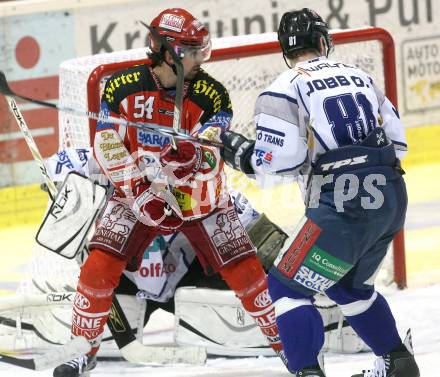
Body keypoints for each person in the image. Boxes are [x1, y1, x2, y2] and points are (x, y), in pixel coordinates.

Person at [53, 8, 283, 377]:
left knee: (246, 269)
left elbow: (212, 155)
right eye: (192, 51)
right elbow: (106, 145)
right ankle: (82, 347)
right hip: (136, 195)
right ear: (167, 51)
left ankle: (283, 339)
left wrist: (189, 159)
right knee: (98, 265)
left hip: (199, 200)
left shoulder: (211, 94)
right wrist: (141, 191)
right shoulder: (121, 86)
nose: (200, 59)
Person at [221, 8, 419, 377]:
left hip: (340, 204)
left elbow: (279, 161)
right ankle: (399, 364)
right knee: (348, 287)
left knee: (285, 289)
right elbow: (399, 144)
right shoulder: (360, 76)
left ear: (286, 50)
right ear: (323, 41)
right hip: (391, 198)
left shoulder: (283, 86)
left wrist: (242, 154)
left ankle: (308, 373)